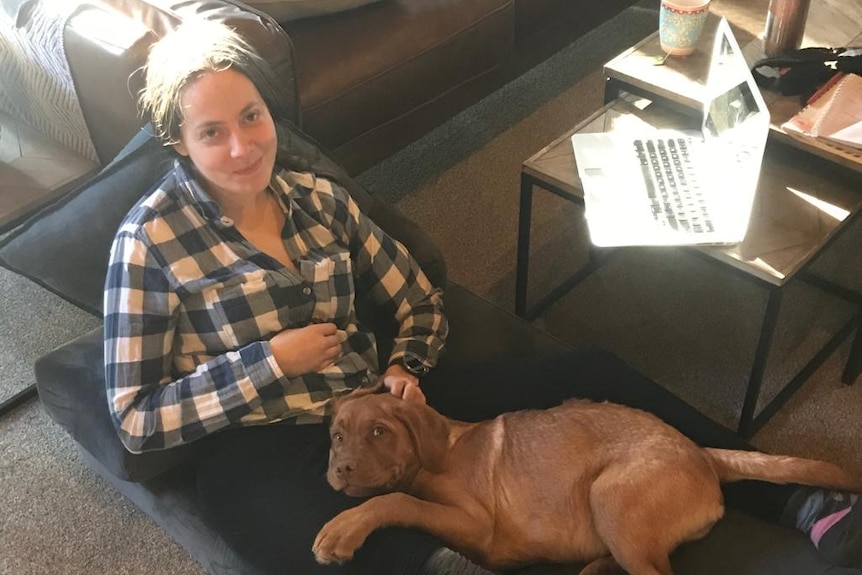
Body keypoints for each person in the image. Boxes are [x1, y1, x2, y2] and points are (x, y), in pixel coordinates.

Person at [103, 19, 861, 575]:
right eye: (212, 132)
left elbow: (420, 300)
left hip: (376, 403)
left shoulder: (318, 200)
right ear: (178, 142)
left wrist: (405, 366)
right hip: (259, 437)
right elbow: (136, 420)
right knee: (356, 549)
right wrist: (266, 360)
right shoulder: (148, 244)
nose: (243, 146)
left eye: (253, 117)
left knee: (592, 369)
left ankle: (799, 502)